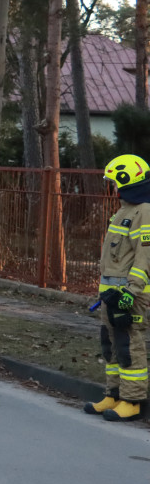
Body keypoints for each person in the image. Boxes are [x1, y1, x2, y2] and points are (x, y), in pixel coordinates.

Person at [83, 154, 150, 422]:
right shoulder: (124, 210)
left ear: (125, 180)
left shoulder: (144, 211)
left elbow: (145, 257)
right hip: (111, 295)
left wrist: (131, 292)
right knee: (109, 344)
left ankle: (132, 401)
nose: (111, 186)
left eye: (113, 181)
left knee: (129, 346)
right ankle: (113, 394)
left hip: (130, 296)